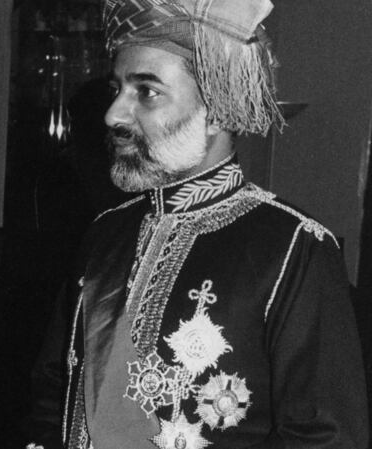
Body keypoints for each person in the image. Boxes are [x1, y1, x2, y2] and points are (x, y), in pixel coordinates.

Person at [25, 0, 370, 448]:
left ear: (219, 107)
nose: (113, 114)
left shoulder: (294, 247)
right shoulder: (106, 232)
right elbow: (53, 393)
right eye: (118, 89)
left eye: (145, 91)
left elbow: (325, 437)